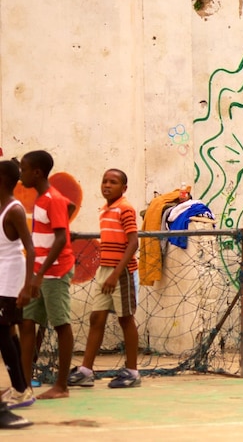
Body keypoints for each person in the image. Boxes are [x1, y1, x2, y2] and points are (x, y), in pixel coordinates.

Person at [67, 169, 142, 389]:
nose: (107, 185)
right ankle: (86, 371)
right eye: (104, 181)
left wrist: (116, 274)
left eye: (113, 182)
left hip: (122, 272)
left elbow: (133, 243)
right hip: (105, 271)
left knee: (125, 319)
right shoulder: (104, 210)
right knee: (96, 318)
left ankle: (133, 372)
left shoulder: (125, 209)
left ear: (124, 188)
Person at [17, 150, 75, 400]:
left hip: (54, 272)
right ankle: (23, 385)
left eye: (24, 169)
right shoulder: (42, 200)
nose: (21, 175)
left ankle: (61, 386)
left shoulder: (52, 198)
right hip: (39, 272)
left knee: (61, 324)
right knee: (28, 324)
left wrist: (39, 275)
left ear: (37, 172)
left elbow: (61, 238)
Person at [0, 160, 36, 409]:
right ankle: (19, 387)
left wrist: (27, 286)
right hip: (1, 279)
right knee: (7, 333)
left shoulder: (15, 209)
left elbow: (30, 248)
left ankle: (21, 390)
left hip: (10, 280)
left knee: (2, 334)